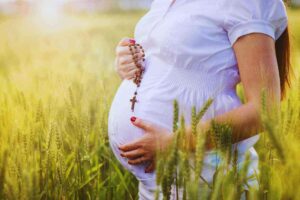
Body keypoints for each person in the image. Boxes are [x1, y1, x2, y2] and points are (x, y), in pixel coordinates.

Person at [108, 0, 291, 199]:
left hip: (202, 176)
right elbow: (166, 60)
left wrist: (174, 142)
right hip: (155, 181)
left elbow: (264, 112)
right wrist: (127, 61)